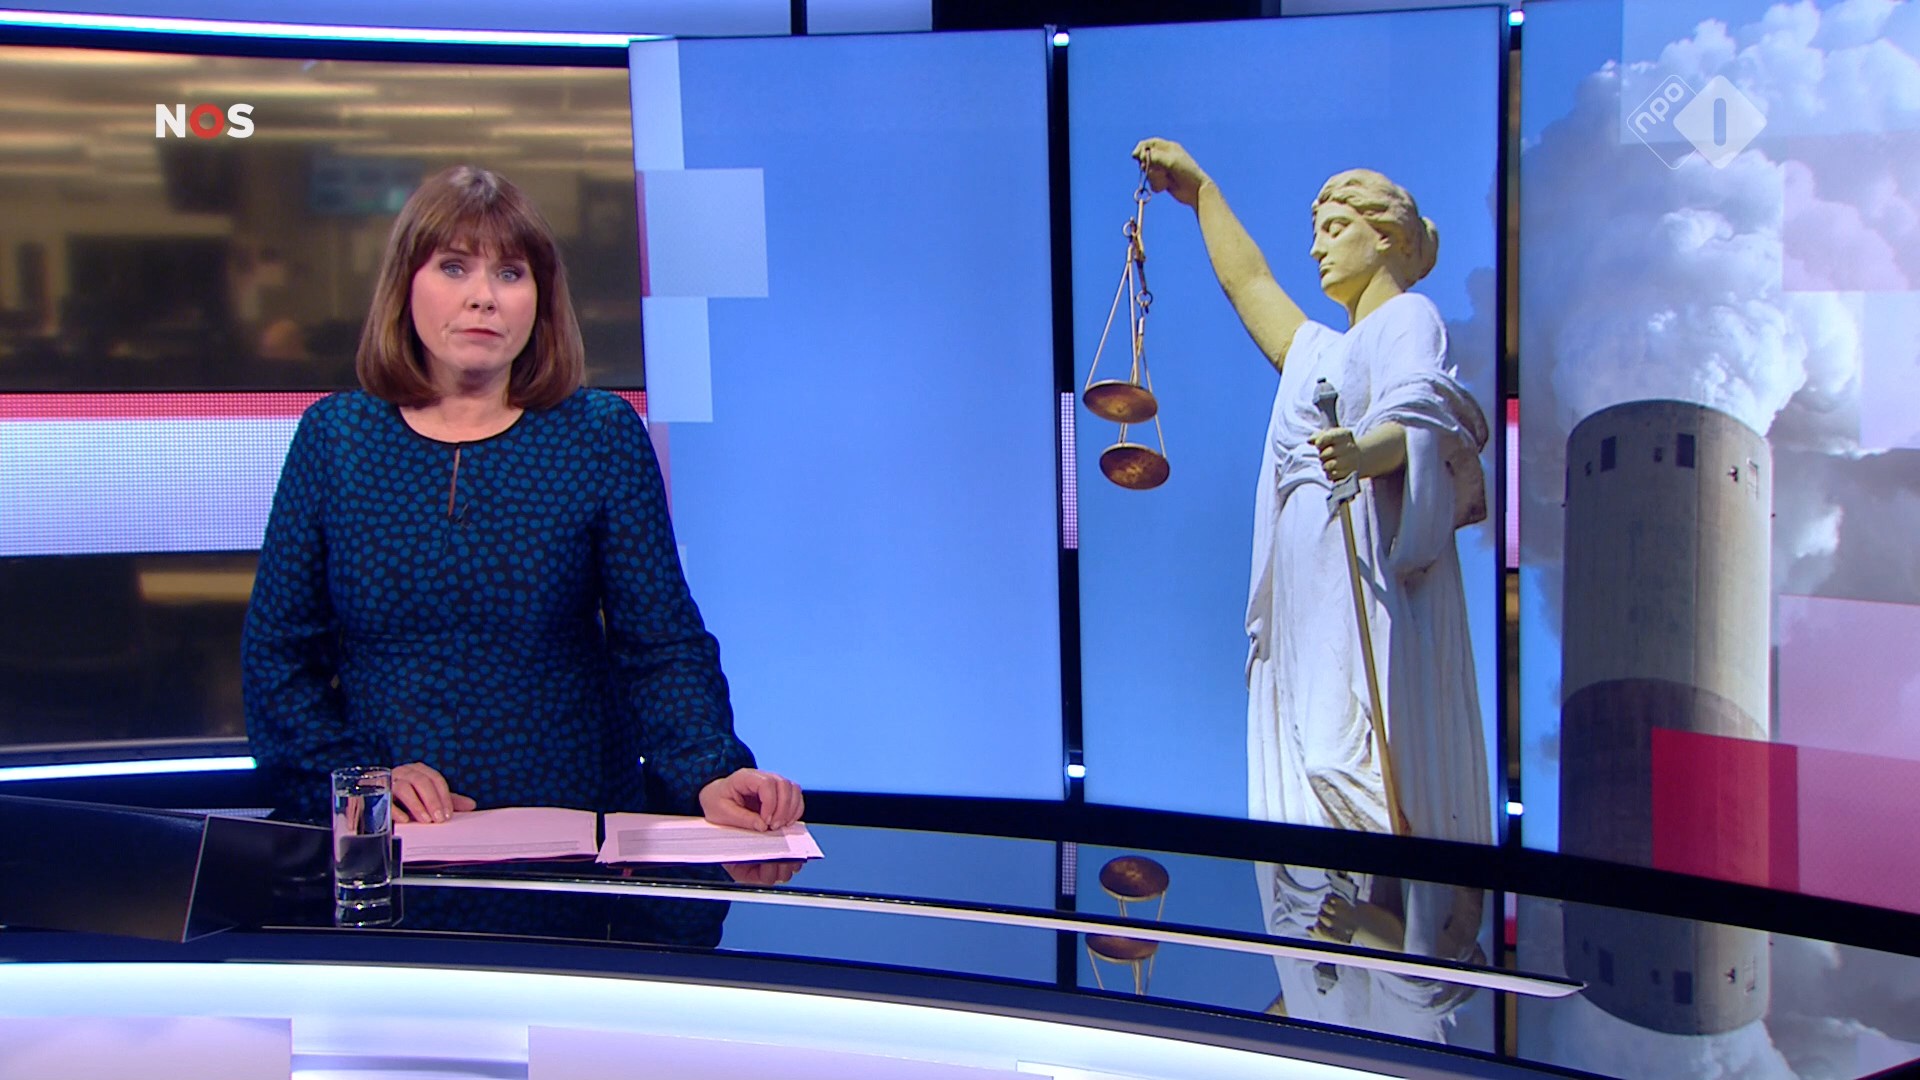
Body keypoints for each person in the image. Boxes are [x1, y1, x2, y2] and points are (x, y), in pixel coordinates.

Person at [242, 165, 803, 846]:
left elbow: (659, 644)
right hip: (394, 842)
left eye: (510, 274)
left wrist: (709, 771)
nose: (483, 297)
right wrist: (363, 780)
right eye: (454, 267)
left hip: (571, 833)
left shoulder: (598, 434)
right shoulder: (336, 438)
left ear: (540, 298)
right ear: (405, 284)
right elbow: (278, 660)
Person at [1133, 139, 1490, 1040]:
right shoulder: (1318, 350)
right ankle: (1338, 958)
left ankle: (1397, 926)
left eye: (1335, 228)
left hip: (1355, 559)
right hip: (1302, 576)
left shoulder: (1405, 320)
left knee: (1339, 746)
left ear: (1387, 238)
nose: (1317, 246)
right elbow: (1248, 283)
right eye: (1316, 230)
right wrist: (1202, 193)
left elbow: (1426, 411)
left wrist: (1367, 450)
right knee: (1301, 751)